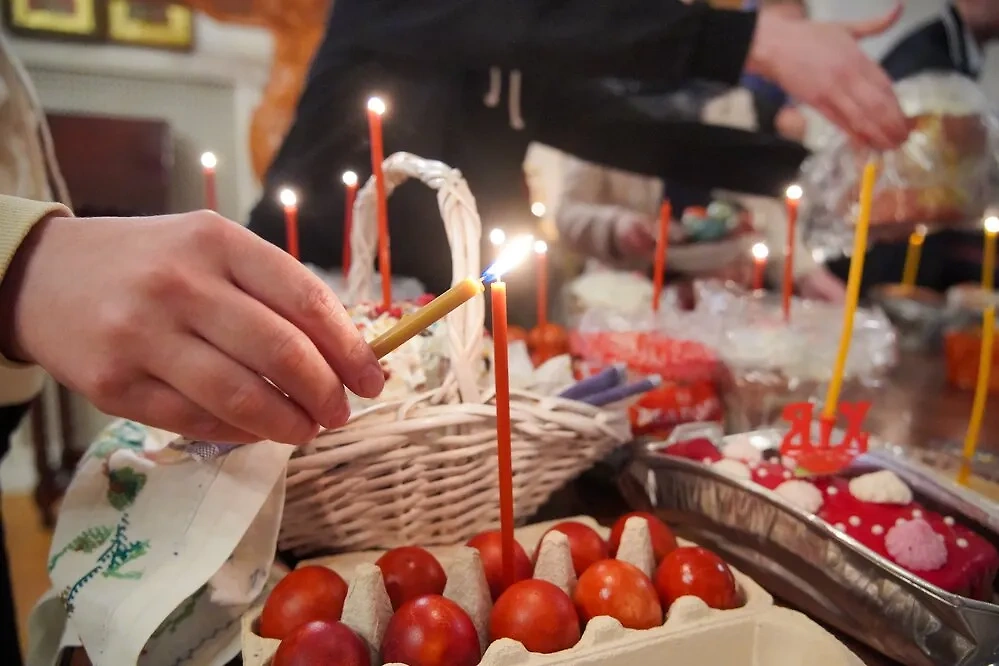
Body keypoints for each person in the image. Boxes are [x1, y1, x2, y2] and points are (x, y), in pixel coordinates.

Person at [246, 0, 909, 323]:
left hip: (449, 318)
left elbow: (630, 134)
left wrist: (827, 177)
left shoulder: (519, 45)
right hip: (308, 295)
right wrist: (750, 39)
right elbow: (535, 22)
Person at [554, 85, 847, 302]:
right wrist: (616, 227)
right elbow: (568, 214)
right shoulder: (604, 104)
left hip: (723, 292)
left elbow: (756, 201)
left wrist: (804, 271)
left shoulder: (729, 100)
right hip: (633, 295)